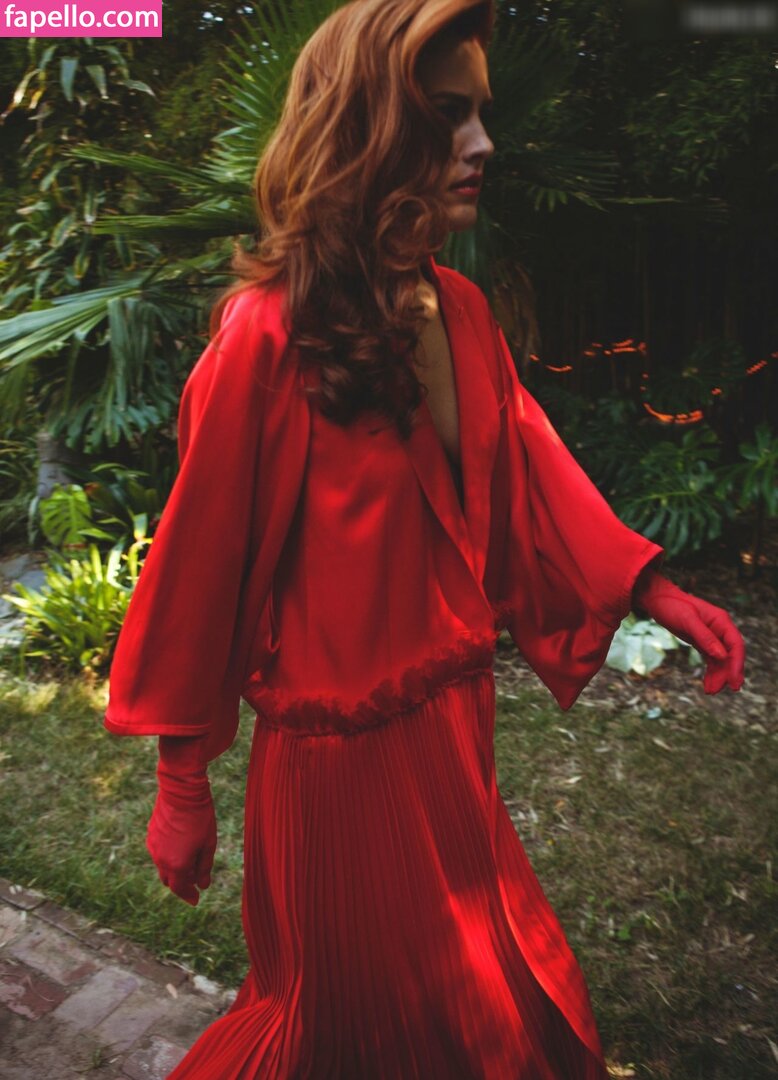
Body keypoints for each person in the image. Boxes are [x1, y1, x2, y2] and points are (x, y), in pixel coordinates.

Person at [103, 1, 746, 1076]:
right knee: (358, 1039)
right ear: (363, 127)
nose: (483, 145)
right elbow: (201, 560)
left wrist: (651, 590)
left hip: (454, 732)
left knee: (510, 1001)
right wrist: (181, 782)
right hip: (338, 773)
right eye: (449, 115)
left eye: (480, 114)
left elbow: (525, 466)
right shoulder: (268, 335)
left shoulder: (461, 308)